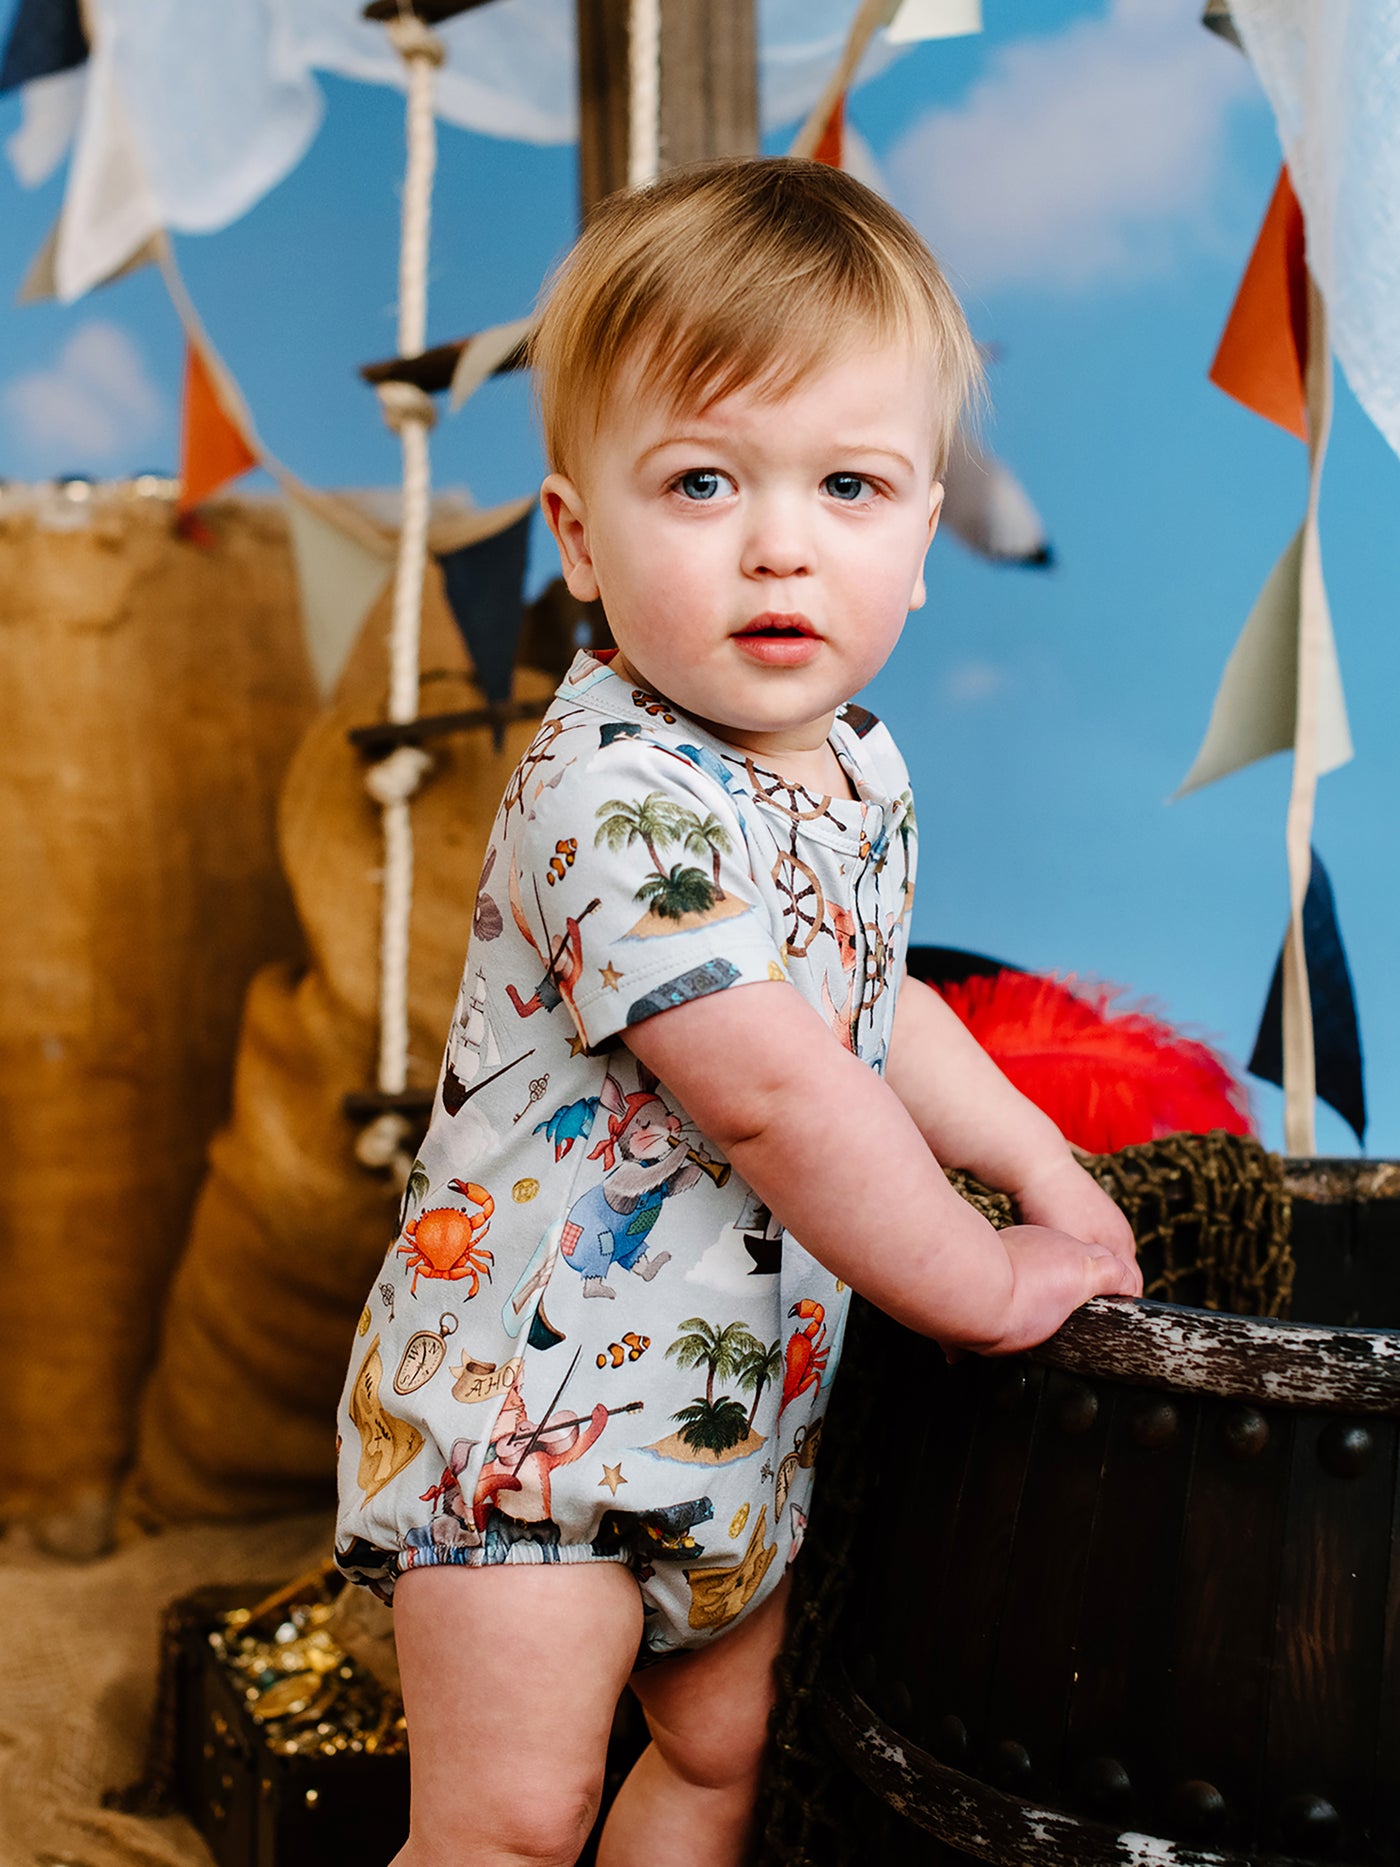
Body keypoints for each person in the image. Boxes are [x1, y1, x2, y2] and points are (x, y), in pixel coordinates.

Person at [334, 156, 1140, 1867]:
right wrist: (987, 1280)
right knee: (509, 1817)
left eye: (850, 487)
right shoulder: (611, 790)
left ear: (924, 538)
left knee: (719, 1769)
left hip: (737, 1417)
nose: (782, 543)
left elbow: (871, 1008)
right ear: (578, 537)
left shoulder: (850, 769)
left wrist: (1052, 1169)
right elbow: (775, 1087)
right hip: (530, 1427)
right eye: (701, 482)